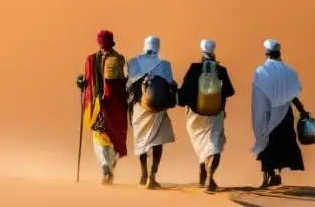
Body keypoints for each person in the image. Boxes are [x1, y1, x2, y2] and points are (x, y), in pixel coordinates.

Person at [178, 39, 235, 191]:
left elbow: (183, 92)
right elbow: (230, 91)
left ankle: (204, 174)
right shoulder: (221, 70)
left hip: (195, 115)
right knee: (214, 145)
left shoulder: (194, 68)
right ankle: (209, 177)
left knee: (203, 144)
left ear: (202, 52)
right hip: (215, 114)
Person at [250, 39, 305, 188]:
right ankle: (274, 173)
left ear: (267, 54)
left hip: (267, 114)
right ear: (279, 53)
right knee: (281, 144)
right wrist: (302, 111)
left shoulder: (261, 71)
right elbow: (293, 95)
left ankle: (267, 176)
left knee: (266, 144)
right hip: (284, 115)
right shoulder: (287, 72)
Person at [78, 29, 129, 185]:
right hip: (117, 105)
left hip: (98, 105)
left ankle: (105, 168)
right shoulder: (119, 58)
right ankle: (109, 168)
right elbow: (123, 82)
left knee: (98, 135)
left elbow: (87, 81)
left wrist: (80, 83)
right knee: (116, 136)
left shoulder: (91, 59)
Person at [126, 35, 177, 189]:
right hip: (157, 109)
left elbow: (128, 85)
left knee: (141, 141)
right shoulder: (165, 64)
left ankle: (143, 174)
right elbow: (170, 83)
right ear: (158, 47)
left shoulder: (134, 62)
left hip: (139, 107)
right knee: (157, 141)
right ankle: (152, 177)